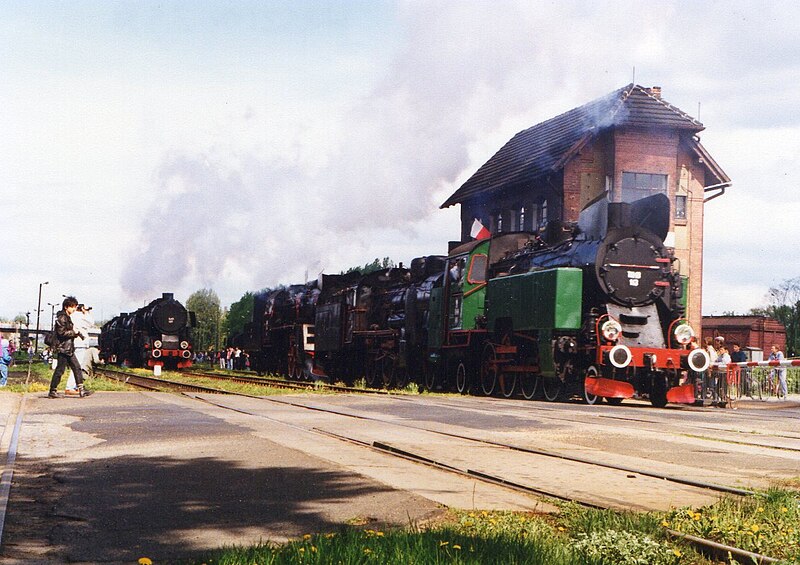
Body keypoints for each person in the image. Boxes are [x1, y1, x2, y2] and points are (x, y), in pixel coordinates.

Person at [48, 296, 93, 398]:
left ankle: (81, 390)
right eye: (72, 307)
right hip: (63, 348)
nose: (74, 309)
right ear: (66, 307)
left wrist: (76, 333)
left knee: (77, 368)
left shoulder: (67, 317)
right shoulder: (62, 318)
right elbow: (61, 333)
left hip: (68, 348)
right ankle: (52, 390)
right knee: (60, 370)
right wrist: (74, 332)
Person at [65, 304, 94, 396]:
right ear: (81, 308)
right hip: (80, 344)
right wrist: (86, 312)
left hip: (75, 344)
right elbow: (91, 322)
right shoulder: (80, 316)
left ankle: (75, 386)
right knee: (77, 366)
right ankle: (70, 387)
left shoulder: (72, 316)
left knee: (76, 366)